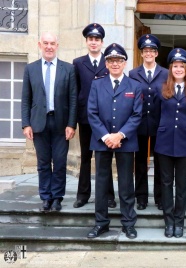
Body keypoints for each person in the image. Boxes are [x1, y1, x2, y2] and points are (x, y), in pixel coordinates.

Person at [86, 43, 142, 239]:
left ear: (125, 63)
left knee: (126, 184)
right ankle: (101, 223)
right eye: (111, 60)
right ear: (106, 63)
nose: (115, 64)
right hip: (101, 141)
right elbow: (92, 113)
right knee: (101, 185)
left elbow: (137, 115)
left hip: (125, 142)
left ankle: (128, 223)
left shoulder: (135, 85)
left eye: (118, 60)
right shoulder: (97, 84)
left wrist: (120, 135)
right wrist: (106, 136)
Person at [21, 32, 77, 212]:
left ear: (57, 45)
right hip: (38, 123)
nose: (49, 46)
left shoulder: (68, 69)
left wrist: (71, 124)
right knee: (43, 163)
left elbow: (73, 99)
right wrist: (26, 124)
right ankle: (45, 197)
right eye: (45, 43)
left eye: (52, 43)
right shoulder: (31, 69)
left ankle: (57, 198)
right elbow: (26, 99)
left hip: (61, 123)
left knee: (60, 162)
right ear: (40, 45)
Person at [155, 48, 186, 238]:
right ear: (170, 68)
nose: (178, 69)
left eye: (182, 66)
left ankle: (179, 221)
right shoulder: (161, 89)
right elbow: (157, 115)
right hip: (165, 142)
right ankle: (169, 222)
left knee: (181, 185)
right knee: (166, 183)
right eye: (175, 66)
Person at [72, 23, 116, 209]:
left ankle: (108, 195)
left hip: (105, 119)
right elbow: (75, 92)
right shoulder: (78, 63)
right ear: (87, 41)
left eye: (97, 39)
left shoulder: (111, 61)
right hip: (85, 118)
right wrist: (72, 122)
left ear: (102, 42)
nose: (94, 42)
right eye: (91, 39)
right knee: (85, 157)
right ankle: (83, 195)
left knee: (105, 158)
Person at [128, 34, 168, 211]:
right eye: (146, 51)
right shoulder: (133, 73)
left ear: (157, 54)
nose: (149, 53)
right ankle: (141, 197)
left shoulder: (166, 73)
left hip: (160, 123)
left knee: (161, 162)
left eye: (152, 51)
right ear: (142, 53)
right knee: (140, 163)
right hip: (140, 124)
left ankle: (160, 197)